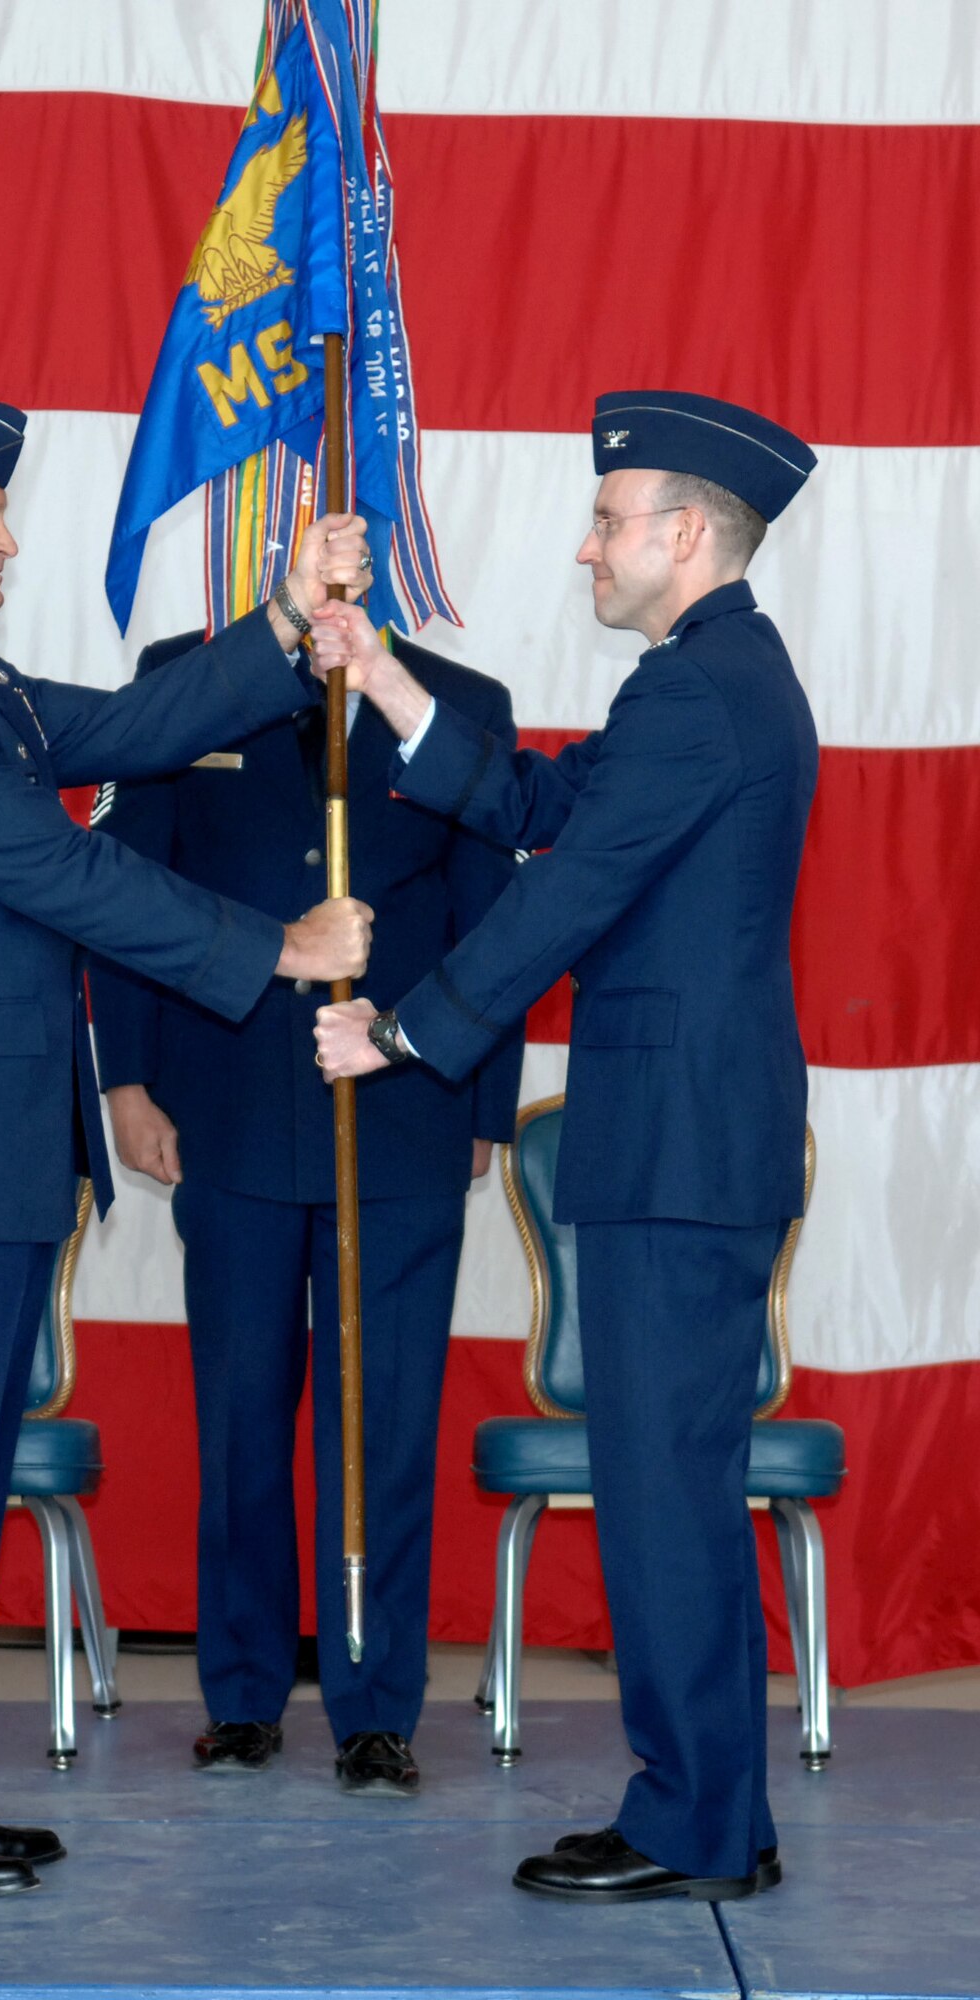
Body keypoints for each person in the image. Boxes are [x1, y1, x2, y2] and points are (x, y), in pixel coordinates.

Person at [0, 389, 374, 1897]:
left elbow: (133, 726)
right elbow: (70, 875)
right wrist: (282, 950)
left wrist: (278, 616)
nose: (6, 542)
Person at [311, 390, 818, 1901]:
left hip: (678, 1150)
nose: (586, 547)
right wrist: (389, 684)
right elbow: (537, 799)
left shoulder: (700, 690)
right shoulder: (707, 676)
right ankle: (722, 1809)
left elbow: (564, 891)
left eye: (608, 521)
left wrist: (405, 1031)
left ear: (683, 534)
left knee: (664, 1491)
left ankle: (691, 1828)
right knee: (676, 1483)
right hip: (687, 1145)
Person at [88, 617, 521, 1794]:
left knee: (380, 1424)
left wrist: (482, 1100)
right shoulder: (183, 684)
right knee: (237, 1417)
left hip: (401, 1115)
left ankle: (374, 1703)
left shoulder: (456, 698)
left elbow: (495, 918)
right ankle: (241, 1693)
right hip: (220, 1108)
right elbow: (131, 886)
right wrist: (123, 1077)